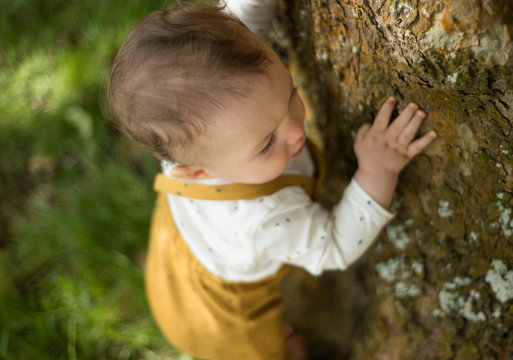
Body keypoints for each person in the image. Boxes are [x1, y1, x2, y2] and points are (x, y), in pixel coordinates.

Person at [106, 2, 437, 359]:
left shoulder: (194, 138)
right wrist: (377, 171)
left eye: (291, 93)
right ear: (199, 173)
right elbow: (335, 246)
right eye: (266, 143)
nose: (296, 130)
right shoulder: (265, 219)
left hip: (173, 261)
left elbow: (242, 28)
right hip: (225, 320)